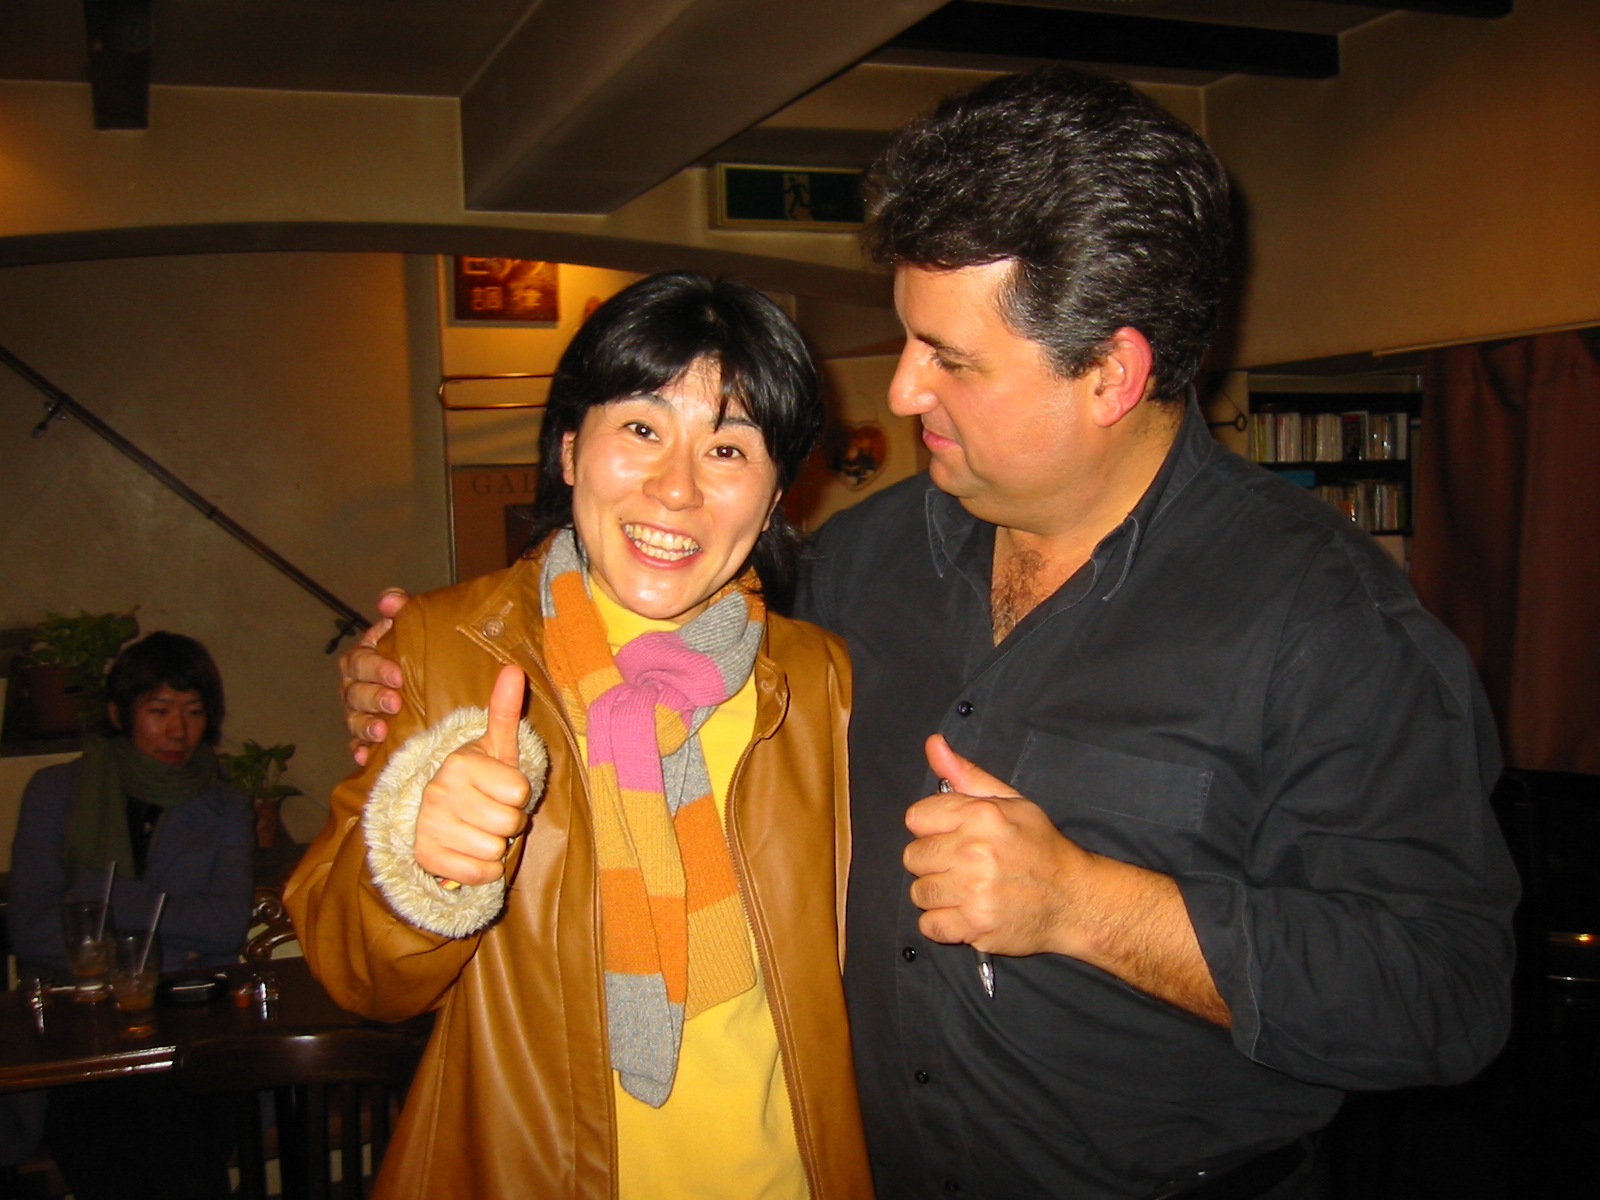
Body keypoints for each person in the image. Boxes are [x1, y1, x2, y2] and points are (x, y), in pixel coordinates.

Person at [341, 70, 1518, 1200]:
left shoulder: (1326, 623)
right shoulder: (858, 561)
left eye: (949, 359)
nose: (901, 390)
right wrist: (426, 669)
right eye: (909, 340)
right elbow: (648, 647)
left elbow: (1443, 996)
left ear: (1111, 374)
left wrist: (1087, 906)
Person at [286, 272, 870, 1200]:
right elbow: (360, 979)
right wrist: (423, 867)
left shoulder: (813, 677)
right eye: (640, 429)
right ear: (568, 449)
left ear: (772, 500)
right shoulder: (445, 648)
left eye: (728, 448)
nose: (676, 489)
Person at [8, 630, 253, 1200]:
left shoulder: (225, 806)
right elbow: (32, 929)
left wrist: (107, 897)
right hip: (80, 1032)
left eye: (194, 711)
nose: (178, 730)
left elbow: (225, 923)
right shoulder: (57, 792)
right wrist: (162, 939)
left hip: (190, 1025)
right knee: (111, 1125)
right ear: (120, 713)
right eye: (159, 710)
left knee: (184, 1121)